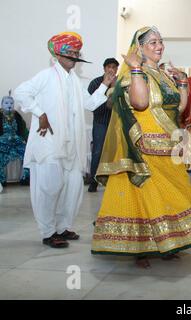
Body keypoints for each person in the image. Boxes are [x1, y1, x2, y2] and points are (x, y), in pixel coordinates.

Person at [91, 26, 191, 268]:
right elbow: (140, 103)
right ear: (140, 47)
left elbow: (178, 109)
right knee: (144, 200)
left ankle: (168, 242)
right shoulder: (131, 75)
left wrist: (181, 83)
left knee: (170, 198)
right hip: (144, 147)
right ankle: (141, 249)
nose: (159, 46)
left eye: (161, 41)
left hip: (169, 146)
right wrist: (136, 68)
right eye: (153, 42)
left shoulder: (162, 74)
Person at [14, 32, 116, 248]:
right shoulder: (46, 76)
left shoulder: (75, 81)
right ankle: (48, 232)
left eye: (76, 52)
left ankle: (63, 227)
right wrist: (39, 113)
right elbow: (21, 93)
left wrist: (105, 84)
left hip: (71, 144)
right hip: (49, 142)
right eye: (69, 52)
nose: (74, 55)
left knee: (73, 187)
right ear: (57, 54)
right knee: (48, 187)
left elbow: (89, 104)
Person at [87, 58, 119, 192]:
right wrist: (110, 90)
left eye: (114, 67)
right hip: (101, 121)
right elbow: (93, 104)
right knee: (98, 152)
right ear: (104, 68)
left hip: (116, 124)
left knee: (115, 153)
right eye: (109, 67)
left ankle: (112, 183)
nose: (111, 70)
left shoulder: (120, 82)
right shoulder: (95, 82)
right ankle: (93, 182)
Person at [0, 93, 29, 187]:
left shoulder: (17, 116)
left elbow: (23, 130)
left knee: (26, 151)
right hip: (2, 141)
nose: (9, 105)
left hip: (16, 141)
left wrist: (28, 140)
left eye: (11, 103)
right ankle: (1, 179)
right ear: (2, 104)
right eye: (6, 103)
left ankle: (25, 178)